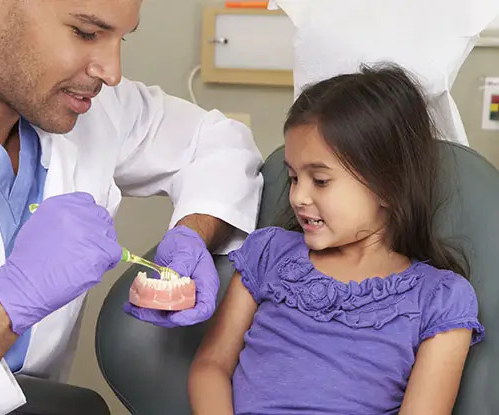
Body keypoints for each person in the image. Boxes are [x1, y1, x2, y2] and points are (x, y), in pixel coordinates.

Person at [0, 0, 264, 413]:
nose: (112, 72)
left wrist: (192, 234)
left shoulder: (86, 110)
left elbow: (218, 143)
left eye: (121, 37)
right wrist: (7, 300)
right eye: (86, 33)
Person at [188, 65, 484, 415]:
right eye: (294, 177)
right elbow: (211, 366)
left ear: (388, 185)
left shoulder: (439, 298)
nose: (297, 196)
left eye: (321, 180)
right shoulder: (268, 254)